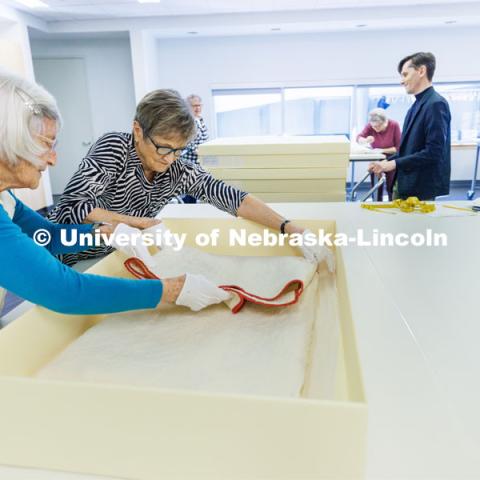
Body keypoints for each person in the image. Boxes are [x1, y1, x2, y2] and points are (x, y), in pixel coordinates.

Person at [0, 70, 231, 317]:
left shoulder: (6, 198)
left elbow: (49, 236)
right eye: (46, 144)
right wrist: (170, 290)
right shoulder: (114, 148)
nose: (54, 159)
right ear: (8, 141)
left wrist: (105, 233)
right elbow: (66, 292)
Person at [48, 89, 332, 271]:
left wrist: (290, 227)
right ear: (137, 130)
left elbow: (231, 197)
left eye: (178, 150)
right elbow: (75, 208)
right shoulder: (115, 148)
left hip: (113, 256)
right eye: (162, 147)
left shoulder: (176, 169)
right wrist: (138, 223)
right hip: (69, 255)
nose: (169, 158)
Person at [368, 52, 451, 200]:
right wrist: (385, 162)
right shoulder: (417, 104)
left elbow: (433, 152)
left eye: (405, 74)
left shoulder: (435, 104)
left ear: (421, 71)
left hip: (420, 187)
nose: (402, 81)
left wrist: (393, 164)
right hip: (406, 182)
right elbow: (409, 150)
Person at [357, 108, 401, 201]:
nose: (375, 129)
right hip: (377, 159)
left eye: (378, 126)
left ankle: (392, 205)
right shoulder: (371, 125)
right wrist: (365, 140)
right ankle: (376, 203)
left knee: (391, 187)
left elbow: (398, 148)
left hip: (391, 159)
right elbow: (359, 137)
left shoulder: (394, 125)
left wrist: (381, 150)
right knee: (376, 187)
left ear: (385, 122)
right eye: (373, 127)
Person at [180, 94, 209, 204]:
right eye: (194, 106)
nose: (197, 108)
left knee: (196, 189)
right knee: (190, 190)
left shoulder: (200, 119)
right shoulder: (187, 121)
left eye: (199, 105)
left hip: (200, 160)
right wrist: (197, 150)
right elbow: (185, 140)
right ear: (188, 107)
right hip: (190, 160)